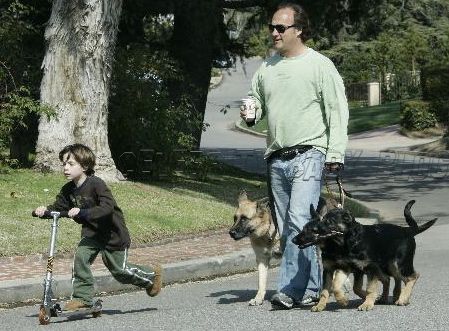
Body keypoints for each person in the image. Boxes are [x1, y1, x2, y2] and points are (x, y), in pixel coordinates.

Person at [240, 1, 349, 309]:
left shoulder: (319, 65)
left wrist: (335, 152)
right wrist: (251, 114)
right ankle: (314, 287)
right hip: (276, 156)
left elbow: (337, 111)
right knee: (290, 225)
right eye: (272, 27)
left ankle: (291, 288)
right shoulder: (268, 67)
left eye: (280, 27)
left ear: (298, 30)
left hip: (309, 153)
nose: (274, 32)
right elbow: (258, 107)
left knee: (301, 219)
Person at [34, 143, 162, 311]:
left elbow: (107, 207)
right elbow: (58, 207)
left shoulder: (96, 184)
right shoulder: (68, 190)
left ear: (85, 166)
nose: (66, 168)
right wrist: (44, 211)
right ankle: (82, 297)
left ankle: (151, 276)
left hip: (112, 234)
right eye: (64, 164)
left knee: (120, 272)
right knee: (80, 257)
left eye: (71, 164)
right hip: (92, 234)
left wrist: (83, 212)